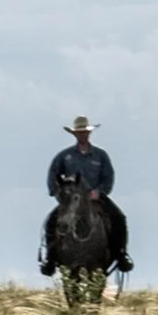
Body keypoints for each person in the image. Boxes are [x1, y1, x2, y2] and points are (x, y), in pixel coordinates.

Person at [38, 116, 131, 274]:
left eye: (85, 132)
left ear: (89, 134)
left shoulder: (100, 155)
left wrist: (99, 191)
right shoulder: (65, 156)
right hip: (71, 199)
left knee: (119, 218)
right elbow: (53, 174)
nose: (82, 135)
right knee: (51, 221)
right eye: (79, 132)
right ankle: (50, 258)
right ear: (75, 134)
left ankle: (121, 254)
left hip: (95, 198)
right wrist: (59, 194)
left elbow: (108, 176)